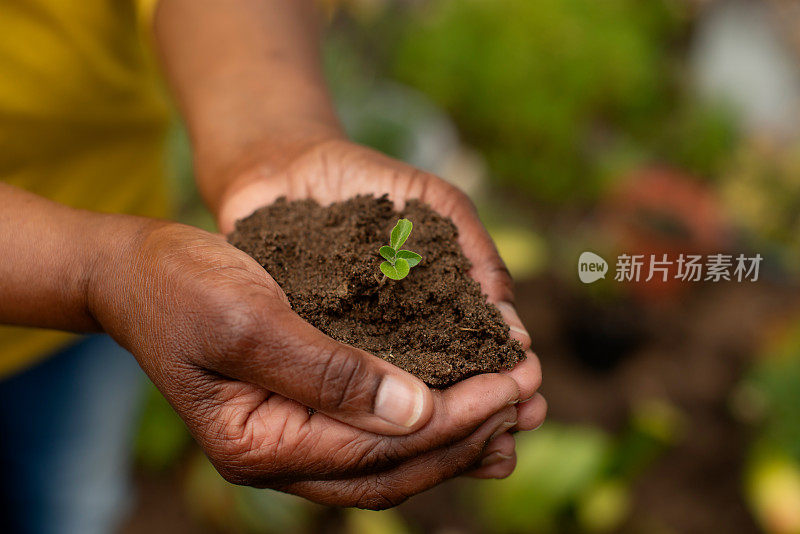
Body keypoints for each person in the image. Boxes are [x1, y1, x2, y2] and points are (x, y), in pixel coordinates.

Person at [0, 1, 546, 532]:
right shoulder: (115, 277)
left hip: (99, 256)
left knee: (68, 494)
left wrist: (270, 145)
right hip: (99, 272)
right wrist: (93, 272)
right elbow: (111, 276)